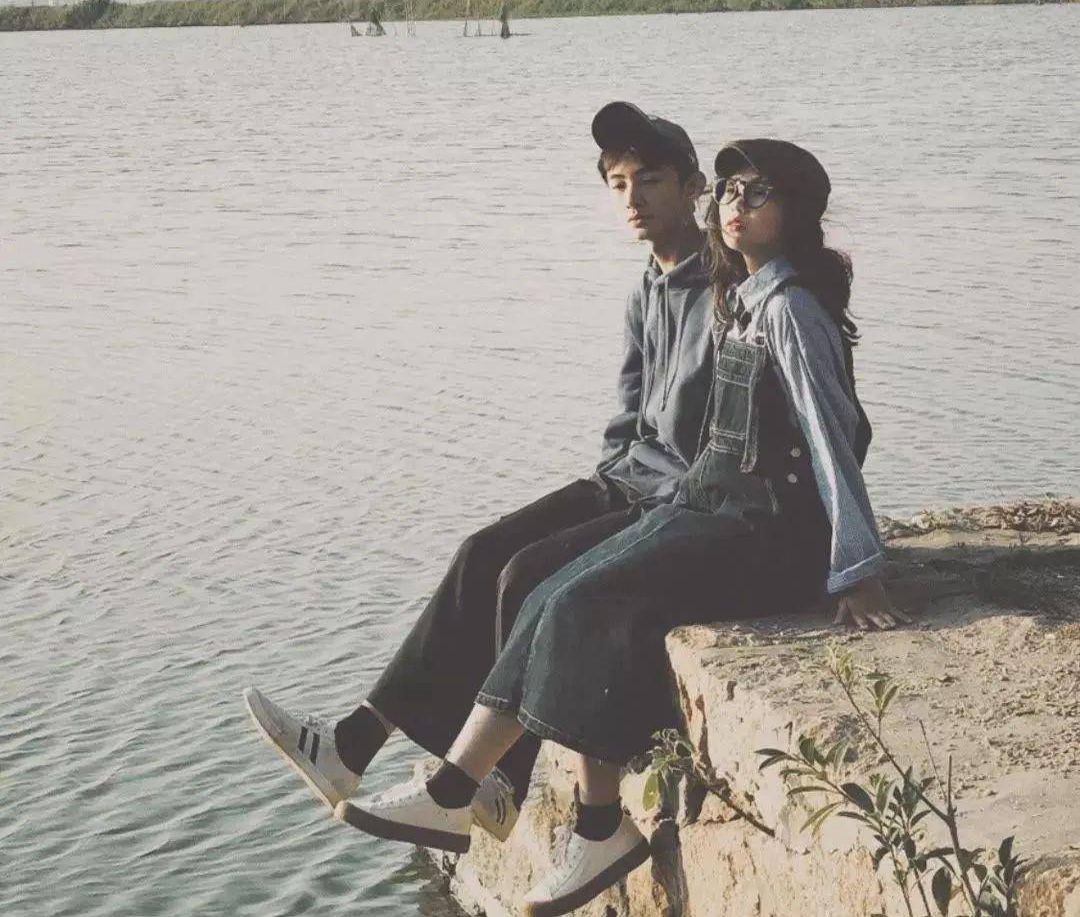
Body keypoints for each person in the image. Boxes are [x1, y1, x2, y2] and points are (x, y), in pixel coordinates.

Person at [332, 138, 908, 917]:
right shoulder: (743, 298)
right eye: (729, 190)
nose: (735, 205)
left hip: (769, 534)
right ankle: (469, 796)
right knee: (551, 586)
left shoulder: (792, 310)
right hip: (710, 506)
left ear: (797, 211)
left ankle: (537, 812)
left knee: (583, 603)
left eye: (758, 192)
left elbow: (836, 438)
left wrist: (858, 569)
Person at [243, 102, 715, 843]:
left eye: (650, 180)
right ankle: (352, 746)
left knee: (527, 574)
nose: (633, 199)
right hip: (627, 477)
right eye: (619, 184)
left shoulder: (723, 289)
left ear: (692, 186)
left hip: (674, 498)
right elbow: (629, 407)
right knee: (480, 553)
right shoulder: (646, 287)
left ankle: (497, 783)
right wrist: (610, 475)